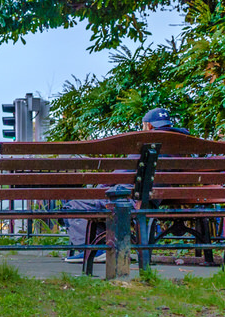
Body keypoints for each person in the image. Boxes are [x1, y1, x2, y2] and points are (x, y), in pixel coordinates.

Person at [62, 107, 189, 262]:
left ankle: (92, 251)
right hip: (153, 201)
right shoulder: (180, 148)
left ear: (148, 126)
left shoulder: (146, 147)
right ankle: (106, 247)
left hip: (127, 201)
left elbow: (117, 175)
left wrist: (100, 189)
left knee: (72, 206)